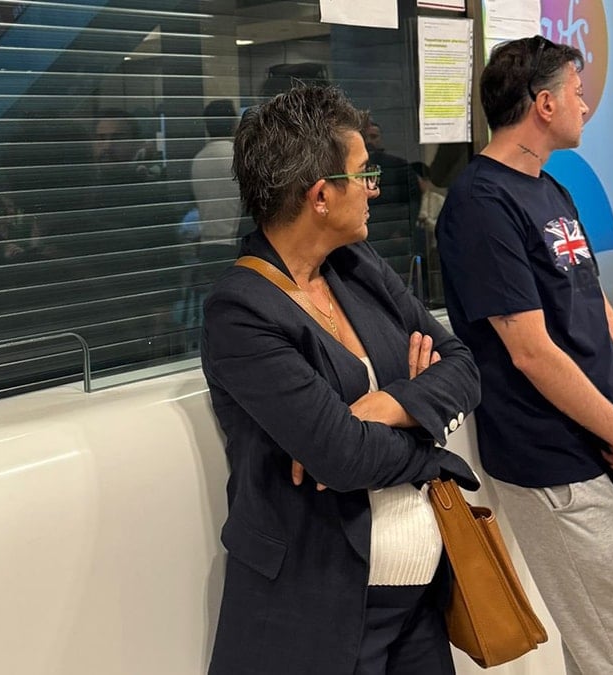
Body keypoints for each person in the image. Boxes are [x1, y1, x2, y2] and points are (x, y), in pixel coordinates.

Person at [202, 84, 481, 675]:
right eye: (363, 174)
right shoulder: (241, 311)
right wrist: (429, 445)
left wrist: (391, 405)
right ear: (321, 195)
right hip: (316, 615)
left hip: (418, 609)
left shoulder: (356, 266)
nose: (375, 187)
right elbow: (344, 459)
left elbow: (462, 365)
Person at [436, 35, 613, 674]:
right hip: (554, 459)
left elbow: (597, 305)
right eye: (577, 93)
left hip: (610, 437)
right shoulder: (481, 203)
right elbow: (531, 352)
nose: (585, 106)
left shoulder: (550, 190)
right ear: (544, 103)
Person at [190, 99, 244, 243]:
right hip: (234, 243)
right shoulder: (239, 157)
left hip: (207, 243)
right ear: (234, 124)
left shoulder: (198, 159)